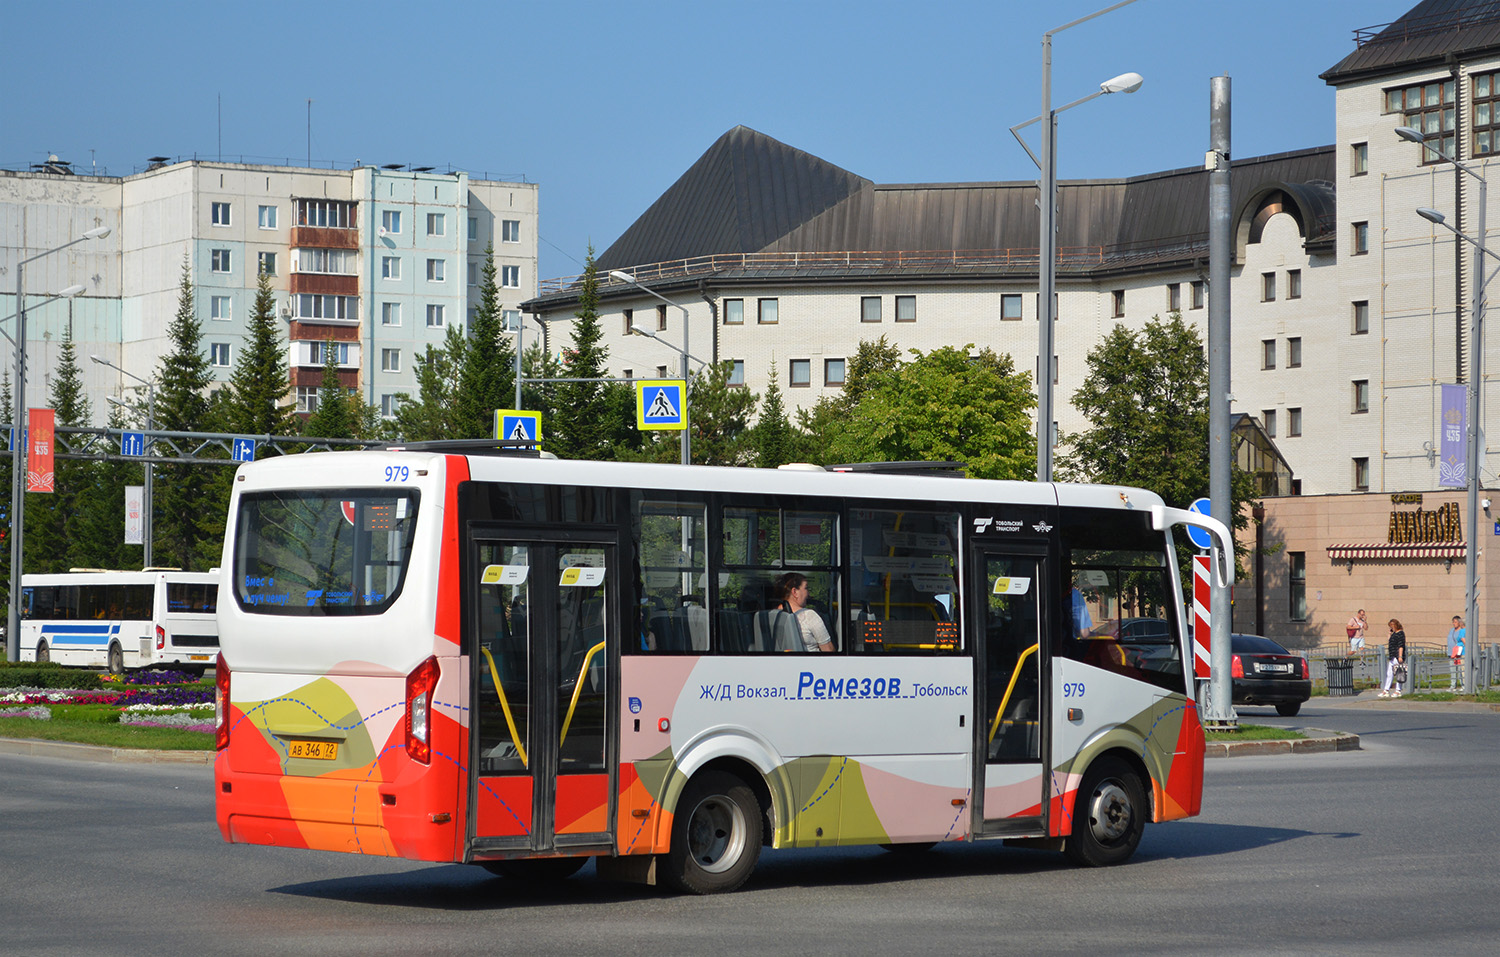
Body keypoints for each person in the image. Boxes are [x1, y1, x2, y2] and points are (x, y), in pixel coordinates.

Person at [774, 572, 835, 653]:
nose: (808, 594)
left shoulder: (774, 615)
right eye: (806, 588)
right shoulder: (809, 616)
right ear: (795, 592)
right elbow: (829, 651)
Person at [1378, 618, 1407, 698]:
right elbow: (1390, 641)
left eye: (1392, 626)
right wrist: (1390, 634)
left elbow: (1401, 645)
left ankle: (1398, 691)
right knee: (1389, 674)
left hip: (1397, 656)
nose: (1391, 628)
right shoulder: (1394, 634)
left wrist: (1400, 656)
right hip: (1392, 656)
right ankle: (1386, 690)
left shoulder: (1400, 633)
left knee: (1399, 673)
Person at [1446, 615, 1466, 692]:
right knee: (1453, 670)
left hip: (1459, 653)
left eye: (1455, 622)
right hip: (1451, 653)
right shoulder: (1451, 630)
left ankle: (1463, 684)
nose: (1454, 623)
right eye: (1453, 622)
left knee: (1461, 670)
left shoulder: (1461, 631)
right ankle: (1453, 685)